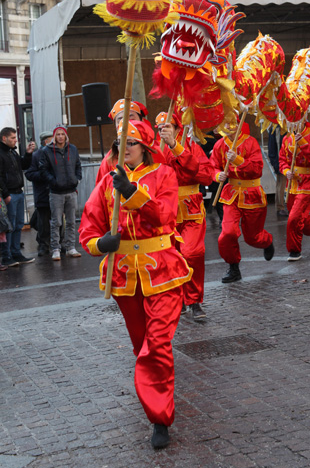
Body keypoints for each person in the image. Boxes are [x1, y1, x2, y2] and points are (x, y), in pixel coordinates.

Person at [79, 120, 192, 449]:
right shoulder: (104, 185)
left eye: (131, 142)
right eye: (119, 143)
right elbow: (87, 234)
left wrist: (131, 193)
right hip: (125, 278)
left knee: (156, 345)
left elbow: (166, 216)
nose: (124, 148)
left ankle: (159, 418)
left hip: (164, 273)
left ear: (145, 146)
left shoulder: (163, 176)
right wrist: (103, 243)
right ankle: (157, 398)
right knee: (141, 346)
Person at [156, 111, 213, 321]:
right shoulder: (154, 150)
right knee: (172, 256)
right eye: (160, 128)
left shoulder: (190, 146)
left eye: (168, 127)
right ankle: (178, 298)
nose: (164, 131)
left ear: (178, 129)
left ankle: (195, 300)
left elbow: (206, 174)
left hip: (191, 209)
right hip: (166, 211)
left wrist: (176, 149)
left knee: (193, 253)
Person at [210, 120, 275, 283]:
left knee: (253, 237)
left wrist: (237, 160)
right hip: (231, 195)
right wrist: (218, 175)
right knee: (227, 233)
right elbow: (212, 166)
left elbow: (257, 169)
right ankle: (233, 267)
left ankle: (267, 242)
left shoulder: (250, 142)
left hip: (252, 194)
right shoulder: (219, 145)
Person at [279, 121, 310, 261]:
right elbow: (282, 159)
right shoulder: (286, 137)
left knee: (294, 217)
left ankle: (294, 250)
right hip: (292, 182)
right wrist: (286, 171)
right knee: (299, 216)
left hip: (308, 181)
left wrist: (304, 143)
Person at [39, 125, 82, 261]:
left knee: (71, 221)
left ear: (66, 136)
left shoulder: (73, 149)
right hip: (56, 192)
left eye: (62, 134)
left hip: (71, 190)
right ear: (54, 137)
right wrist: (53, 181)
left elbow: (78, 165)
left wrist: (77, 179)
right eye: (57, 134)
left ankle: (70, 247)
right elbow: (43, 169)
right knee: (56, 222)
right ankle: (56, 248)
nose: (60, 137)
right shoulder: (47, 151)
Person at [0, 127, 36, 266]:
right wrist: (6, 194)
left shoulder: (12, 152)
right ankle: (7, 255)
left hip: (18, 192)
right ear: (4, 138)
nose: (16, 140)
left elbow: (23, 165)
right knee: (10, 226)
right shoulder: (2, 153)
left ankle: (16, 253)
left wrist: (28, 154)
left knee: (19, 224)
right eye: (13, 138)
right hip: (10, 194)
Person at [95, 99, 149, 184]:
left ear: (141, 121)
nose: (125, 124)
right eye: (120, 120)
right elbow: (101, 191)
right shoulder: (110, 160)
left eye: (131, 118)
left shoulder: (157, 151)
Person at [25, 131, 53, 256]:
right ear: (45, 141)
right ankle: (44, 245)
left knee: (59, 221)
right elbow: (29, 174)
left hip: (56, 192)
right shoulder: (36, 156)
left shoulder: (56, 153)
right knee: (43, 222)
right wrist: (43, 175)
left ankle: (60, 243)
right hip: (42, 194)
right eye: (52, 139)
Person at [267, 125, 288, 218]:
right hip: (281, 162)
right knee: (281, 185)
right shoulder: (275, 129)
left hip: (291, 161)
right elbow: (272, 148)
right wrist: (275, 163)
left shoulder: (291, 127)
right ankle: (280, 207)